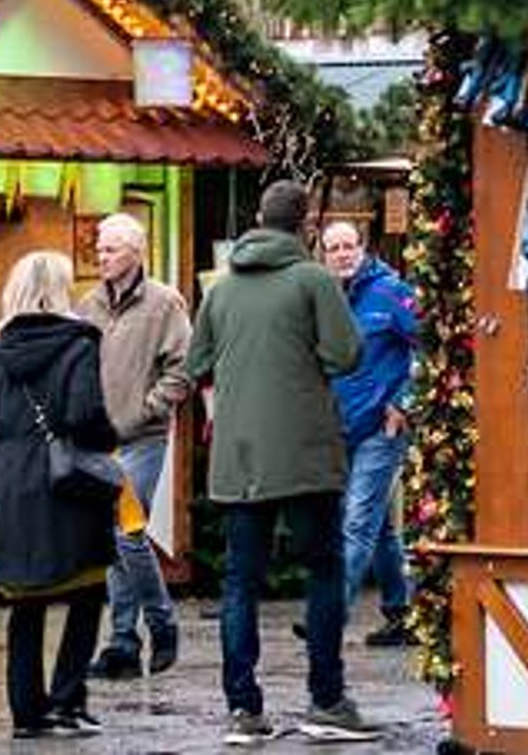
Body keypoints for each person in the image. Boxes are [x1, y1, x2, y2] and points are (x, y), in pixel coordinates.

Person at [189, 178, 376, 746]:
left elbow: (199, 360)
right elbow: (348, 353)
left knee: (239, 582)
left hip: (238, 457)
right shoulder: (314, 280)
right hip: (304, 453)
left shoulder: (221, 289)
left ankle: (243, 710)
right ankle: (326, 700)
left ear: (257, 220)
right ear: (306, 228)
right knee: (323, 572)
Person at [0, 249, 122, 740]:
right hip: (65, 483)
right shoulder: (78, 345)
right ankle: (67, 700)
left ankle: (26, 714)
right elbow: (83, 415)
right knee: (87, 589)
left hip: (12, 482)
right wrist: (109, 439)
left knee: (26, 602)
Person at [82, 210, 193, 681]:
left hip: (142, 438)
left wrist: (148, 408)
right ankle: (123, 643)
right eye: (100, 249)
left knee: (126, 532)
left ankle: (161, 622)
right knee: (113, 536)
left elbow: (183, 368)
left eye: (110, 249)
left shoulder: (165, 303)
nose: (102, 257)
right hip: (99, 440)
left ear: (135, 251)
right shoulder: (89, 305)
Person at [321, 217, 423, 648]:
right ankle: (401, 613)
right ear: (323, 255)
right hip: (343, 426)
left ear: (364, 248)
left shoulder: (392, 292)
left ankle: (327, 615)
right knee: (379, 527)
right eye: (333, 248)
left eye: (349, 246)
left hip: (383, 427)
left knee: (357, 521)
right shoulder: (327, 298)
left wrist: (405, 400)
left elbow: (430, 343)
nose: (342, 254)